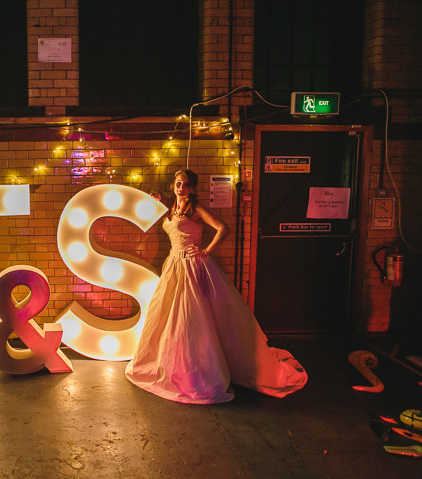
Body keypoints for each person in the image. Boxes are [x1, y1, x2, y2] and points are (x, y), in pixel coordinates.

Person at [125, 169, 308, 404]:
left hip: (192, 266)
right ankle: (174, 366)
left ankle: (196, 372)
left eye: (186, 185)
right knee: (168, 317)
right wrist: (160, 196)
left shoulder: (196, 209)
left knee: (190, 319)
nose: (182, 188)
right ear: (174, 185)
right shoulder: (172, 207)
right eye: (178, 184)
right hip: (173, 265)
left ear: (193, 187)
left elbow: (223, 228)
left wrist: (206, 251)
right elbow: (170, 209)